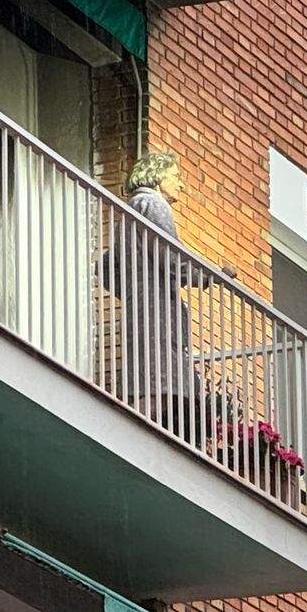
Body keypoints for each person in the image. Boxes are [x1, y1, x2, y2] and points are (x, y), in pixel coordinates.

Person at [104, 150, 202, 429]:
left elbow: (107, 266)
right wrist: (209, 277)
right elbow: (172, 259)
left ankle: (128, 426)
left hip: (140, 309)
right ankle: (127, 431)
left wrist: (134, 291)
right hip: (158, 312)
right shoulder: (154, 205)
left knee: (149, 380)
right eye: (176, 177)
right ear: (158, 178)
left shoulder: (130, 211)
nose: (181, 184)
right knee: (163, 382)